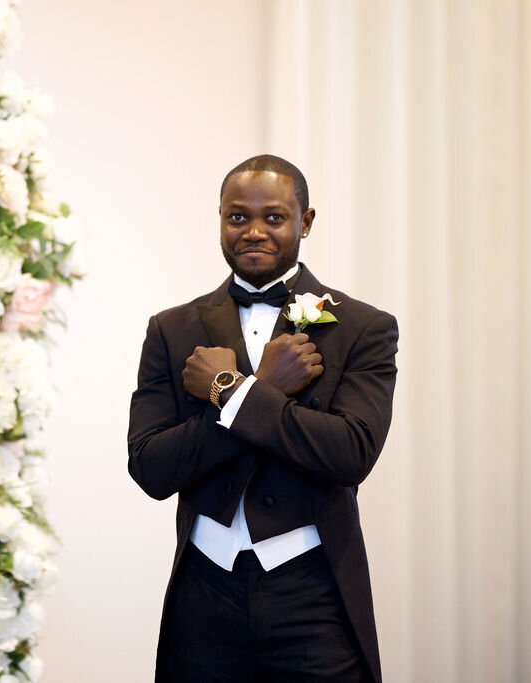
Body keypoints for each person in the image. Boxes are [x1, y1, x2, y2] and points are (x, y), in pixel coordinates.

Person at [128, 155, 398, 681]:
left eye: (273, 217)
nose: (254, 231)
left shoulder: (362, 327)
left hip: (313, 595)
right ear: (221, 221)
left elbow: (351, 453)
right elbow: (151, 468)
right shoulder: (171, 328)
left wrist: (231, 392)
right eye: (237, 217)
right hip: (203, 598)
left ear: (306, 221)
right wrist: (265, 392)